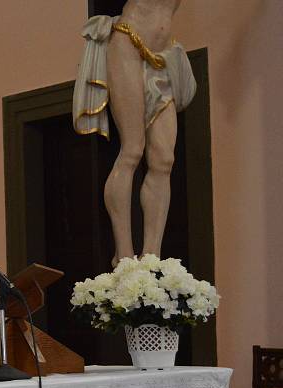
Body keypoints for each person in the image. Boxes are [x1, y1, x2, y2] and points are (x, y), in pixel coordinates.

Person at [72, 0, 195, 266]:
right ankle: (124, 253)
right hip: (128, 41)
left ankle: (152, 257)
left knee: (164, 159)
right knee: (132, 149)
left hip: (163, 55)